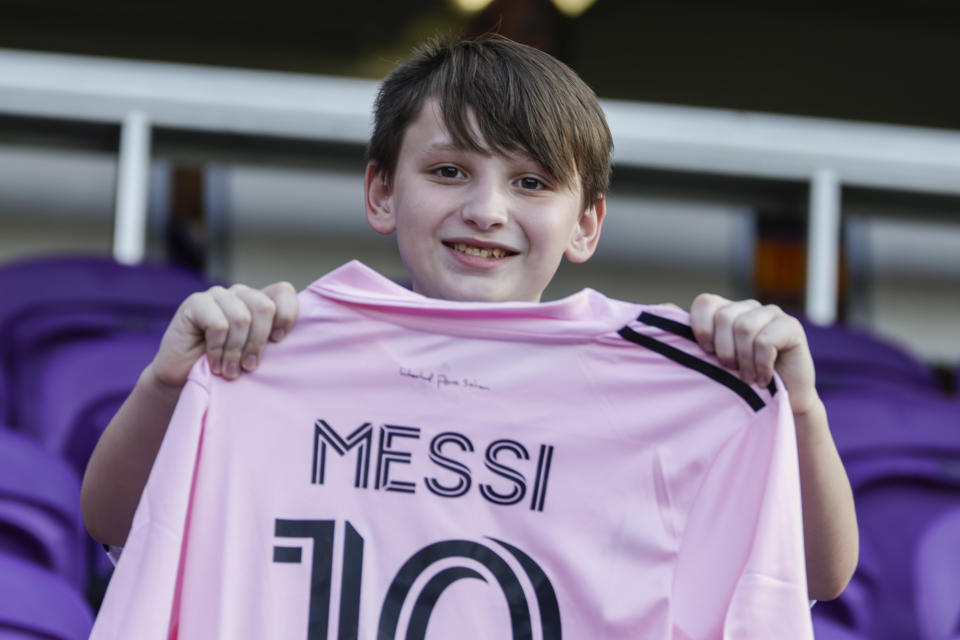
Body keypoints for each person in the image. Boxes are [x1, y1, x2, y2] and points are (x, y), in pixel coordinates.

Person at [81, 34, 857, 603]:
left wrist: (797, 408)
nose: (486, 211)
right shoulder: (269, 348)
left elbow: (815, 576)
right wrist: (169, 383)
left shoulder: (677, 384)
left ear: (586, 224)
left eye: (531, 183)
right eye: (449, 171)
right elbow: (114, 519)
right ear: (382, 192)